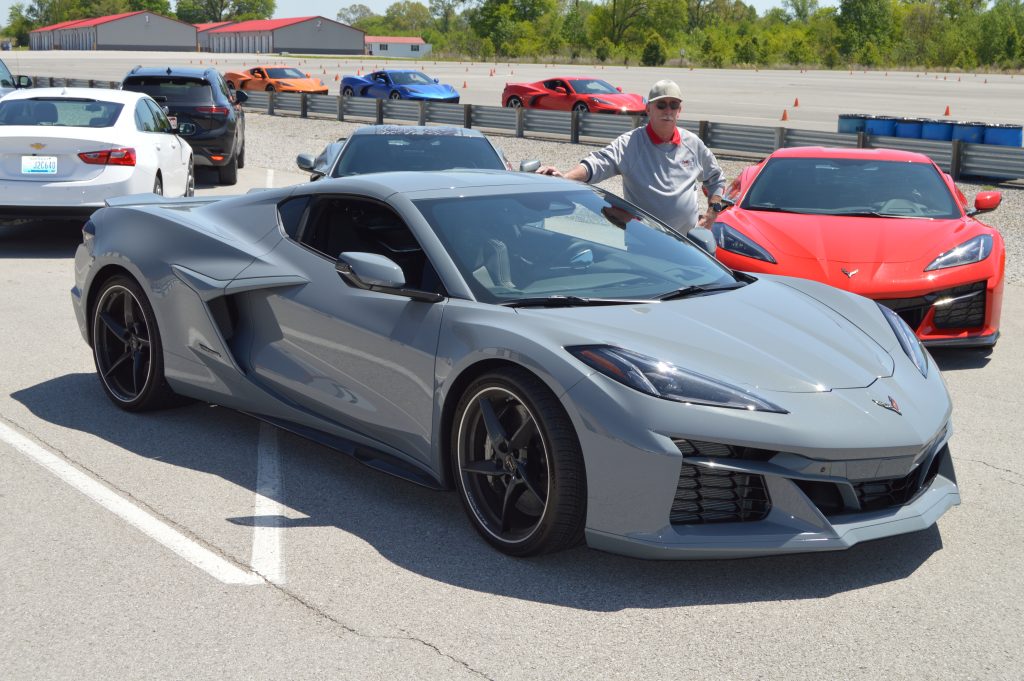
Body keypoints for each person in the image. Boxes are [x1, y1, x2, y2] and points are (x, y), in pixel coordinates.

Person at [537, 80, 727, 233]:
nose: (667, 110)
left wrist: (711, 215)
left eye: (673, 105)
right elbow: (597, 163)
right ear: (648, 109)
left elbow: (716, 179)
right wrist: (565, 178)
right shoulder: (630, 143)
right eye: (661, 105)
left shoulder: (693, 144)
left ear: (679, 110)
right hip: (644, 244)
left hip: (687, 245)